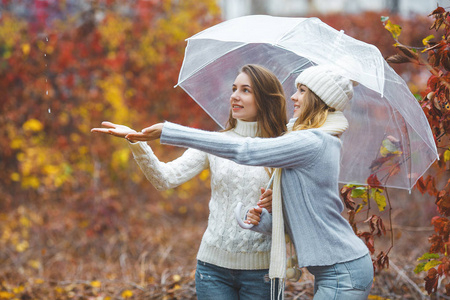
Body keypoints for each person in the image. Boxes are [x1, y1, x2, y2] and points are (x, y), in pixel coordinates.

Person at [124, 65, 374, 300]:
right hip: (333, 270)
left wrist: (169, 132)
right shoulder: (306, 141)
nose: (294, 97)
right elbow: (298, 218)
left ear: (319, 99)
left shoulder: (311, 141)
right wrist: (265, 218)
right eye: (234, 89)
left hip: (341, 271)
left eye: (302, 91)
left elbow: (246, 150)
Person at [92, 64, 288, 300]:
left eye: (246, 90)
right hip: (213, 270)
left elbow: (297, 210)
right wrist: (136, 141)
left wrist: (277, 202)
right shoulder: (214, 142)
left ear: (265, 99)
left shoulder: (284, 147)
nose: (234, 96)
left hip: (263, 273)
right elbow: (165, 178)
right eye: (234, 88)